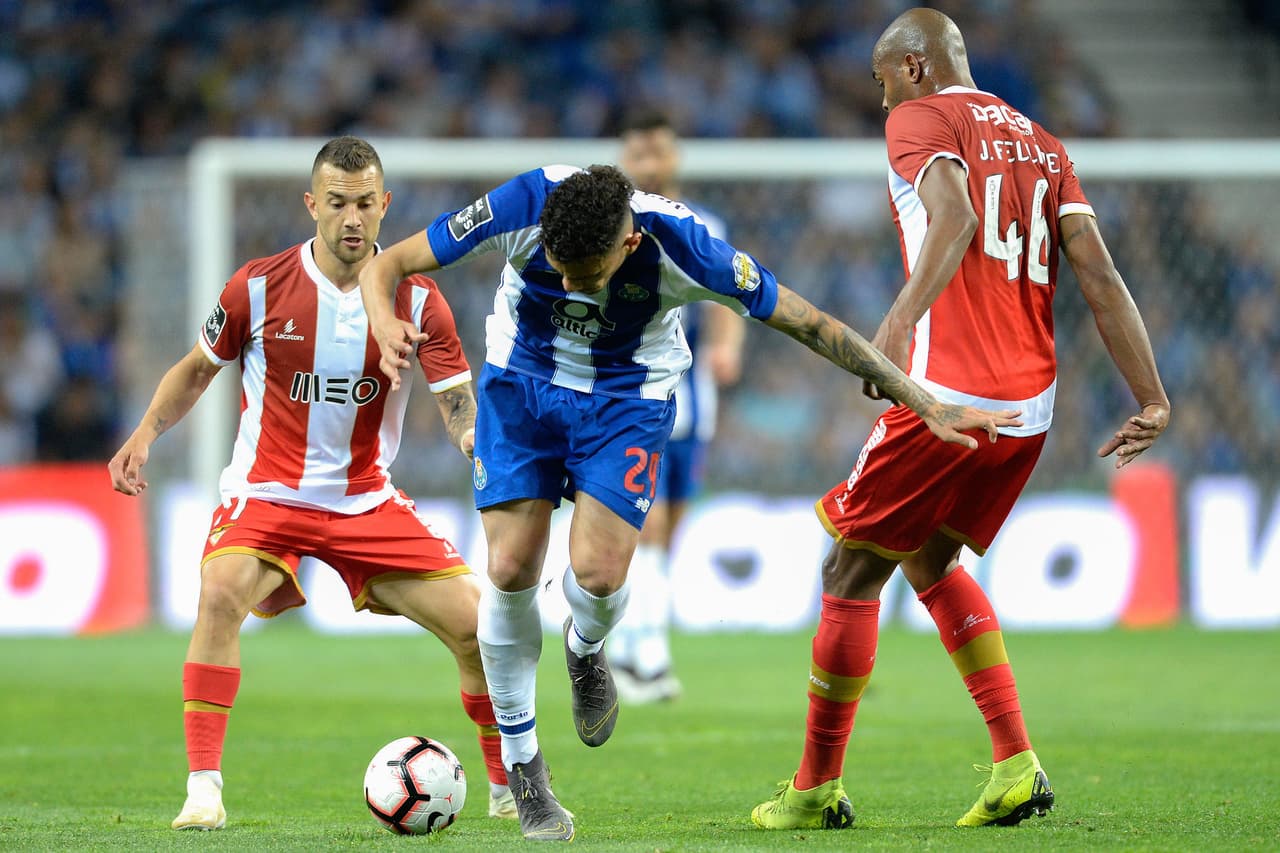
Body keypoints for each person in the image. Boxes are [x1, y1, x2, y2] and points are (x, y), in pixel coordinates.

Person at [361, 163, 1021, 842]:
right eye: (557, 268)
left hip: (625, 400)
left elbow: (812, 324)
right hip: (521, 385)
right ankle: (526, 769)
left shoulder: (686, 248)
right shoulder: (524, 203)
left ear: (626, 246)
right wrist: (383, 318)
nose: (568, 286)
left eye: (585, 275)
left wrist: (923, 401)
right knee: (506, 570)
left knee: (599, 576)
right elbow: (393, 263)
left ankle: (585, 644)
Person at [750, 7, 1171, 832]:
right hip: (1029, 408)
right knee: (928, 558)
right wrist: (1151, 394)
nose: (882, 102)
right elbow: (1097, 271)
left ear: (912, 66)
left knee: (848, 572)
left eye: (882, 82)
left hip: (946, 398)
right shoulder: (1043, 144)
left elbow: (957, 215)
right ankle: (1015, 763)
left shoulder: (920, 118)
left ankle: (813, 789)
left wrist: (898, 321)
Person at [107, 137, 516, 831]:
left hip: (366, 499)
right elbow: (198, 369)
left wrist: (473, 439)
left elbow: (456, 400)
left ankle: (506, 789)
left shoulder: (419, 300)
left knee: (480, 629)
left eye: (365, 204)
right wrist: (145, 433)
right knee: (220, 592)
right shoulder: (257, 286)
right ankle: (203, 789)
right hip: (268, 494)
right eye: (336, 203)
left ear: (384, 205)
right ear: (311, 205)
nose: (351, 218)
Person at [611, 110, 746, 703]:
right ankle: (646, 654)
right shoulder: (611, 225)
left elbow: (727, 297)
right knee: (647, 524)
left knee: (669, 528)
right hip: (631, 396)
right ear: (625, 160)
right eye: (638, 154)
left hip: (692, 398)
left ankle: (629, 647)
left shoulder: (704, 225)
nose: (649, 164)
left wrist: (726, 347)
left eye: (658, 152)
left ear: (674, 158)